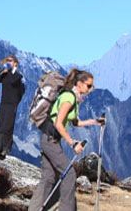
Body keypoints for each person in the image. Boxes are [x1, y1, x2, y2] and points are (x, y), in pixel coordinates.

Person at [28, 69, 103, 211]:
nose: (90, 89)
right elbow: (58, 123)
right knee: (69, 174)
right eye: (89, 86)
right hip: (50, 139)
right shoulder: (69, 98)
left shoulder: (73, 98)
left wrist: (95, 121)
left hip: (49, 138)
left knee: (49, 177)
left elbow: (76, 122)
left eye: (92, 86)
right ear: (80, 84)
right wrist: (72, 143)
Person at [0, 55, 25, 159]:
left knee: (7, 126)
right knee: (1, 124)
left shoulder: (18, 76)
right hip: (4, 102)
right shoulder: (6, 74)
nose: (8, 62)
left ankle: (3, 148)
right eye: (7, 60)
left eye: (10, 61)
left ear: (15, 63)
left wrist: (10, 70)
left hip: (12, 104)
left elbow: (15, 83)